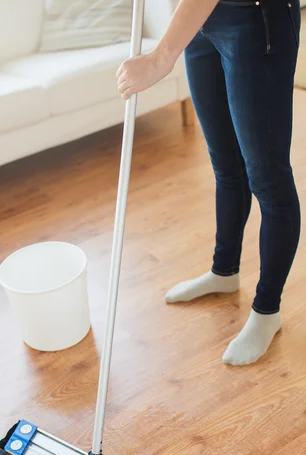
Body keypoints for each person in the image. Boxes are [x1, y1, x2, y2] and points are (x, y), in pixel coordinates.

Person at [117, 0, 301, 366]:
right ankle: (224, 271)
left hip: (256, 17)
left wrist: (160, 57)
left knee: (268, 180)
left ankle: (268, 311)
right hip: (198, 20)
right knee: (226, 165)